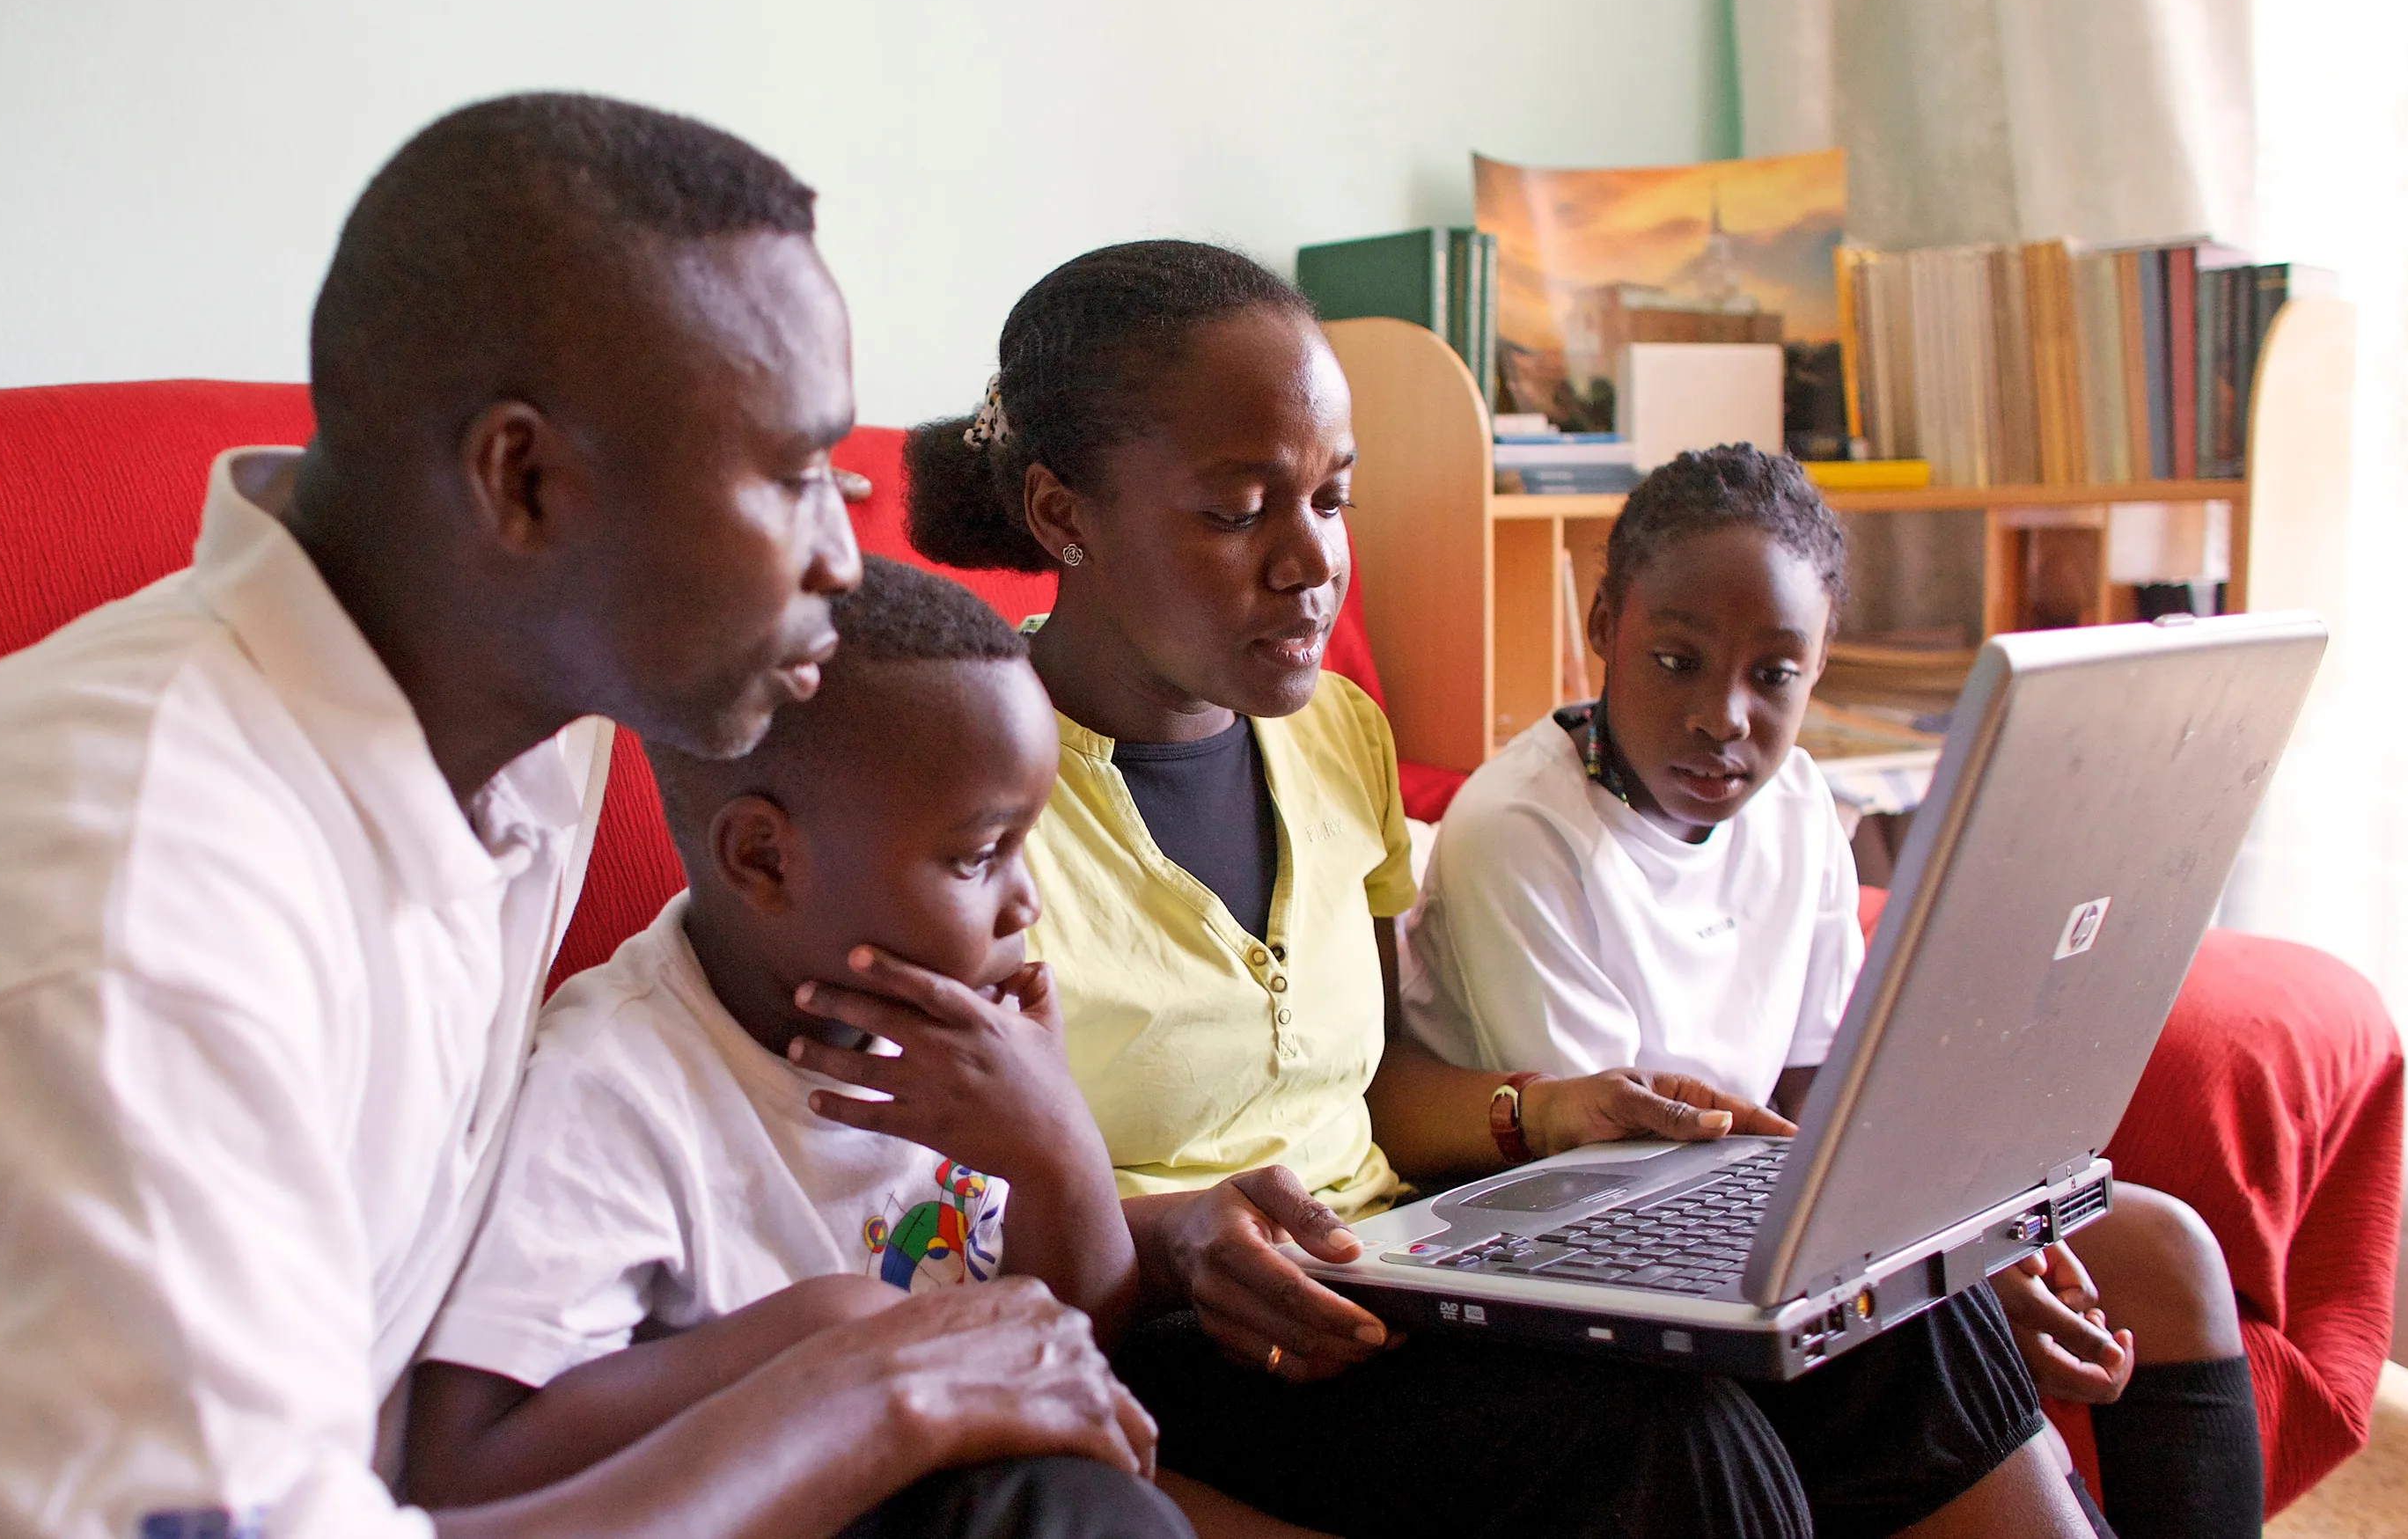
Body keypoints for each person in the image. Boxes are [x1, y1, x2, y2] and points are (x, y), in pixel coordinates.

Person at [0, 95, 1175, 1539]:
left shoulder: (511, 734)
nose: (841, 556)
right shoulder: (126, 883)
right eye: (791, 478)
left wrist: (1140, 1232)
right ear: (522, 483)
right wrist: (869, 1389)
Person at [901, 239, 2102, 1539]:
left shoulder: (1334, 735)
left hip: (1387, 1262)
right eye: (1240, 510)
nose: (1312, 559)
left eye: (1331, 497)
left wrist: (1550, 1111)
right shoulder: (950, 795)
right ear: (1062, 514)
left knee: (1890, 1321)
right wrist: (1176, 1230)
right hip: (1170, 1326)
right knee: (1663, 1445)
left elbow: (1373, 1085)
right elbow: (903, 1212)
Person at [1403, 444, 2265, 1539]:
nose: (1724, 716)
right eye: (1675, 660)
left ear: (1819, 665)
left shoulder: (1797, 803)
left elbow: (1824, 1092)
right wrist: (1941, 1275)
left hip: (1758, 1209)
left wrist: (1966, 1238)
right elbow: (1614, 1172)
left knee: (2170, 1254)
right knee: (1945, 1328)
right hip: (1593, 1247)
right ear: (1604, 623)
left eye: (1774, 675)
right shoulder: (1518, 834)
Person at [401, 556, 1146, 1512]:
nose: (1026, 902)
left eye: (1024, 844)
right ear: (762, 858)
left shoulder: (962, 1053)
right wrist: (831, 1333)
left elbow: (1075, 1365)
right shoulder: (612, 1085)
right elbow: (461, 1466)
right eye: (977, 856)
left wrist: (1058, 1153)